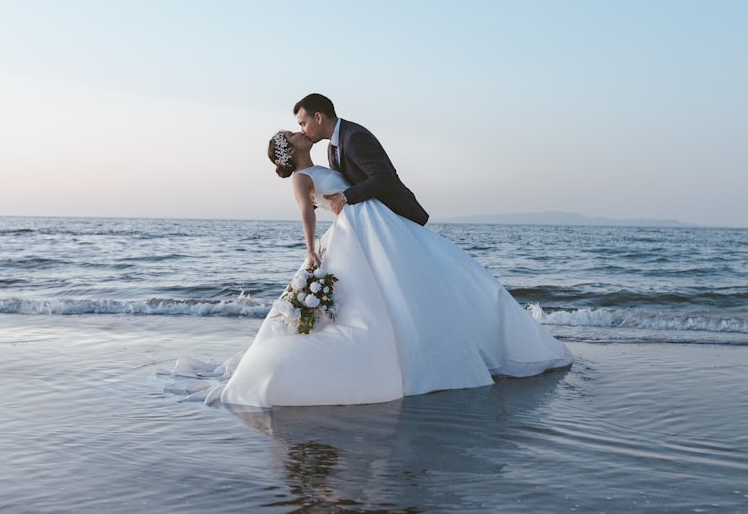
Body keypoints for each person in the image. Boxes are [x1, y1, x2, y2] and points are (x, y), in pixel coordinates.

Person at [190, 130, 572, 408]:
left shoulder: (326, 163)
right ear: (290, 149)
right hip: (354, 236)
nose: (299, 132)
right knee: (374, 303)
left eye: (297, 127)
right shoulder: (301, 177)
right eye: (292, 134)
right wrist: (309, 251)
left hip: (372, 229)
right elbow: (306, 212)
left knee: (426, 282)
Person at [293, 93, 429, 226]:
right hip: (371, 221)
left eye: (303, 123)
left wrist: (345, 197)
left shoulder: (353, 137)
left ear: (318, 117)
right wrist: (318, 199)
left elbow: (384, 177)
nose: (302, 131)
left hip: (397, 217)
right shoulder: (332, 148)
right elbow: (344, 184)